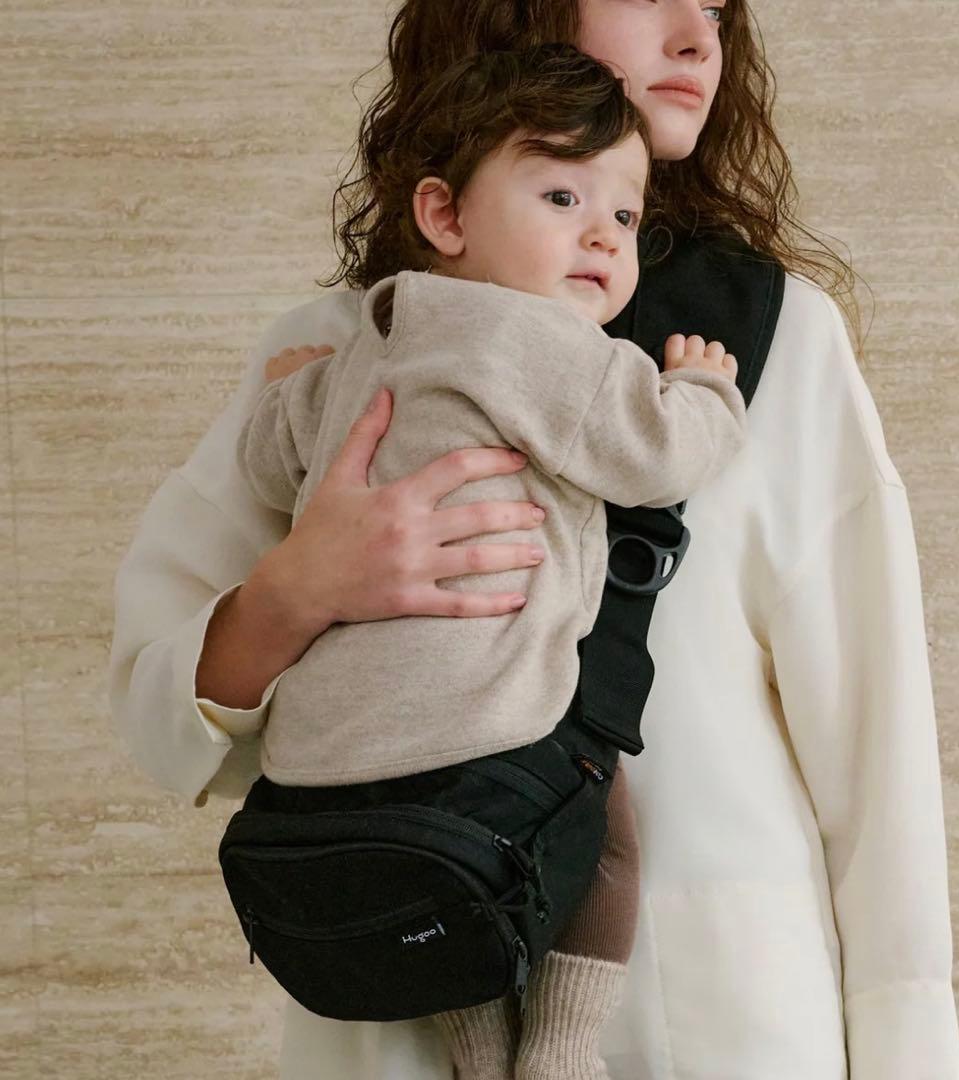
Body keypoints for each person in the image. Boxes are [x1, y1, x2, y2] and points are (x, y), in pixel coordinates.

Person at [108, 1, 959, 1077]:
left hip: (721, 1023)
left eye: (714, 8)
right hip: (405, 993)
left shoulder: (769, 341)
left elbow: (876, 752)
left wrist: (909, 1050)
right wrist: (297, 592)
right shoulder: (336, 353)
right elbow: (157, 718)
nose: (699, 37)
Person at [234, 45, 745, 1079]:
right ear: (446, 216)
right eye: (562, 197)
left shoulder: (373, 337)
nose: (601, 234)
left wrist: (285, 390)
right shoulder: (544, 341)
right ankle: (559, 1050)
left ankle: (474, 1050)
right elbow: (654, 457)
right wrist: (703, 391)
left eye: (625, 216)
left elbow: (270, 461)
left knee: (447, 877)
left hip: (326, 749)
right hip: (480, 712)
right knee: (604, 836)